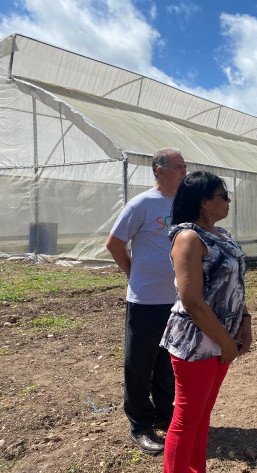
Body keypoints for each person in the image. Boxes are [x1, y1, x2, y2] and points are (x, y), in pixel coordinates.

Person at [160, 171, 252, 473]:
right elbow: (192, 301)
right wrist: (225, 341)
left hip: (223, 335)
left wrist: (244, 321)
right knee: (187, 418)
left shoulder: (220, 235)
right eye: (222, 196)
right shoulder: (188, 238)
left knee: (202, 414)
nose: (228, 201)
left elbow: (234, 283)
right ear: (203, 202)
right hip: (196, 339)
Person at [106, 147, 187, 455]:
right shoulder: (141, 204)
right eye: (178, 166)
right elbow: (114, 243)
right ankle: (140, 426)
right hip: (145, 300)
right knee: (139, 364)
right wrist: (133, 274)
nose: (184, 171)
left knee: (168, 362)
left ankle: (166, 415)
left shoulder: (183, 205)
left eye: (184, 167)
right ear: (160, 170)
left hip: (176, 300)